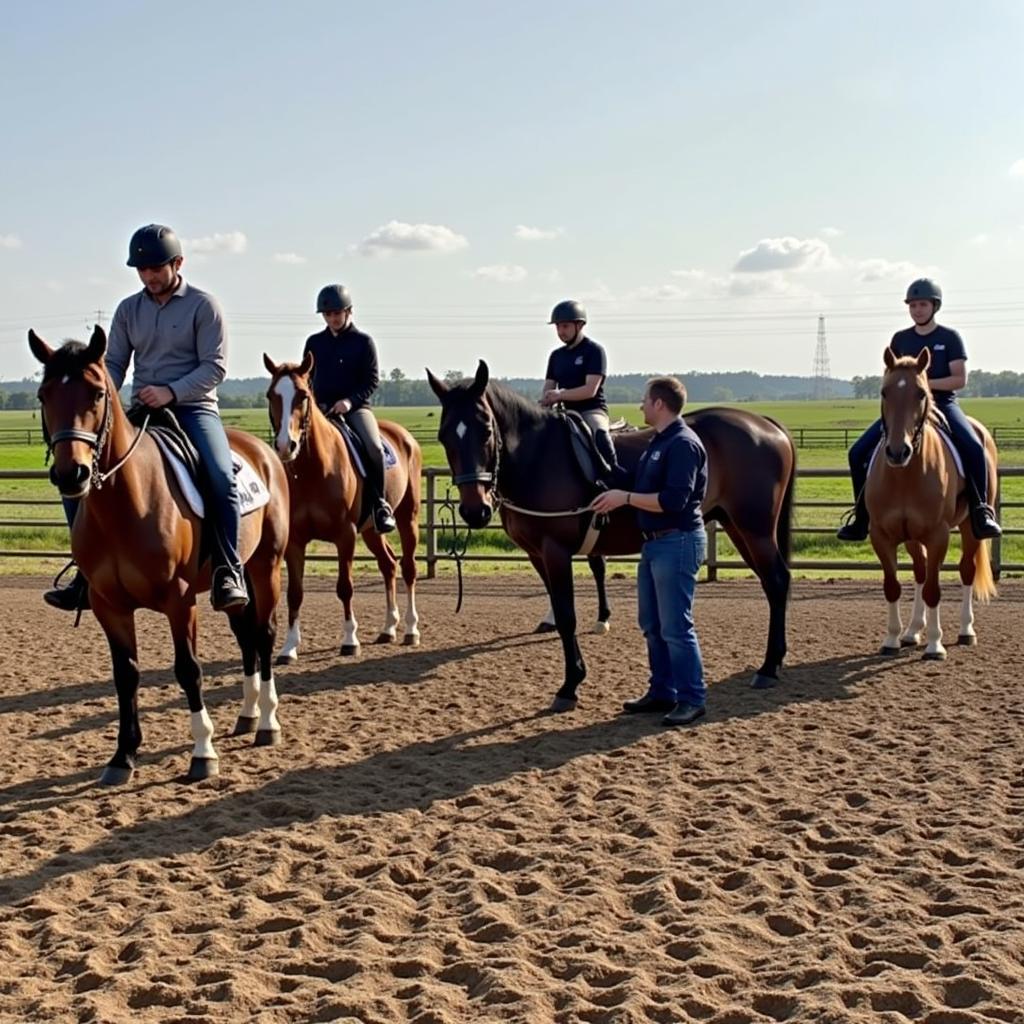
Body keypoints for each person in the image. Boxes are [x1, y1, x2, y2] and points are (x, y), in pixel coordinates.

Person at [44, 223, 248, 613]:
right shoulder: (128, 310)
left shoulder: (204, 306)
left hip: (194, 407)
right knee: (76, 476)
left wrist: (171, 392)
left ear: (178, 263)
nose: (149, 276)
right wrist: (102, 395)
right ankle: (85, 573)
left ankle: (228, 569)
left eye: (156, 268)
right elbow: (115, 364)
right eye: (142, 270)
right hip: (142, 408)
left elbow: (215, 367)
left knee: (221, 476)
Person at [837, 278, 1001, 542]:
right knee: (857, 452)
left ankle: (981, 511)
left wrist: (921, 385)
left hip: (943, 403)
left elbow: (959, 378)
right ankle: (861, 517)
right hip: (903, 407)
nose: (917, 309)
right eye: (912, 305)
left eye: (922, 304)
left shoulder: (949, 338)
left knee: (973, 446)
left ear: (934, 306)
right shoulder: (900, 339)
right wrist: (905, 390)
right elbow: (891, 378)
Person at [592, 376, 709, 727]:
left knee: (676, 626)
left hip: (678, 540)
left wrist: (624, 499)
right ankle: (662, 691)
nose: (640, 406)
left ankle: (692, 698)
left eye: (645, 400)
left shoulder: (683, 445)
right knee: (653, 624)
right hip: (655, 543)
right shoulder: (660, 443)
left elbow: (674, 499)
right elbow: (638, 483)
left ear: (659, 404)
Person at [302, 284, 395, 534]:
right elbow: (305, 378)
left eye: (337, 313)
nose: (332, 318)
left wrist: (349, 402)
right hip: (320, 410)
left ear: (348, 311)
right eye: (328, 314)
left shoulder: (363, 342)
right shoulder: (314, 342)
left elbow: (372, 381)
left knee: (374, 447)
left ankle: (379, 504)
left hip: (355, 408)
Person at [540, 299, 621, 481]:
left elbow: (589, 390)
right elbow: (548, 387)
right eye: (558, 327)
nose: (561, 332)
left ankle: (612, 475)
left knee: (599, 432)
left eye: (565, 326)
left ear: (580, 325)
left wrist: (560, 395)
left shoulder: (594, 351)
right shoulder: (556, 356)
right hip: (565, 412)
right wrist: (542, 403)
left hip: (591, 409)